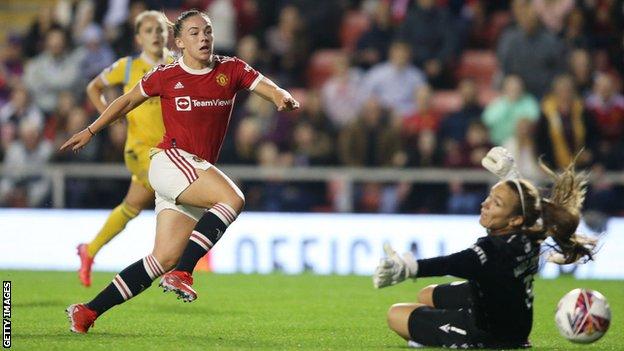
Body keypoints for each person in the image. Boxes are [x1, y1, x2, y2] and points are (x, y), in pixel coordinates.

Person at [62, 9, 299, 334]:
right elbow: (126, 101)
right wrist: (91, 130)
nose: (203, 38)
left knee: (162, 258)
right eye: (194, 33)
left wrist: (280, 96)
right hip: (170, 160)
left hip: (191, 173)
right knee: (233, 198)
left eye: (208, 32)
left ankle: (87, 312)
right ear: (179, 41)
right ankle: (185, 273)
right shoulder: (166, 74)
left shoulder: (229, 69)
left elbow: (264, 84)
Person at [373, 147, 596, 349]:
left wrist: (408, 268)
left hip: (486, 335)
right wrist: (511, 176)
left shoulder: (490, 251)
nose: (485, 204)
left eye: (496, 203)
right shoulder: (529, 233)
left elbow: (449, 263)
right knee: (426, 294)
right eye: (490, 197)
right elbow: (531, 206)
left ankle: (449, 337)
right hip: (515, 322)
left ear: (514, 220)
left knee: (395, 314)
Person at [75, 10, 174, 288]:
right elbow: (93, 87)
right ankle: (171, 264)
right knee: (177, 192)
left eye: (160, 30)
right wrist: (109, 116)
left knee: (132, 207)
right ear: (138, 38)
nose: (155, 34)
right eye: (149, 30)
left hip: (168, 150)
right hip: (140, 151)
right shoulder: (127, 67)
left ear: (167, 35)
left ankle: (90, 250)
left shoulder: (175, 65)